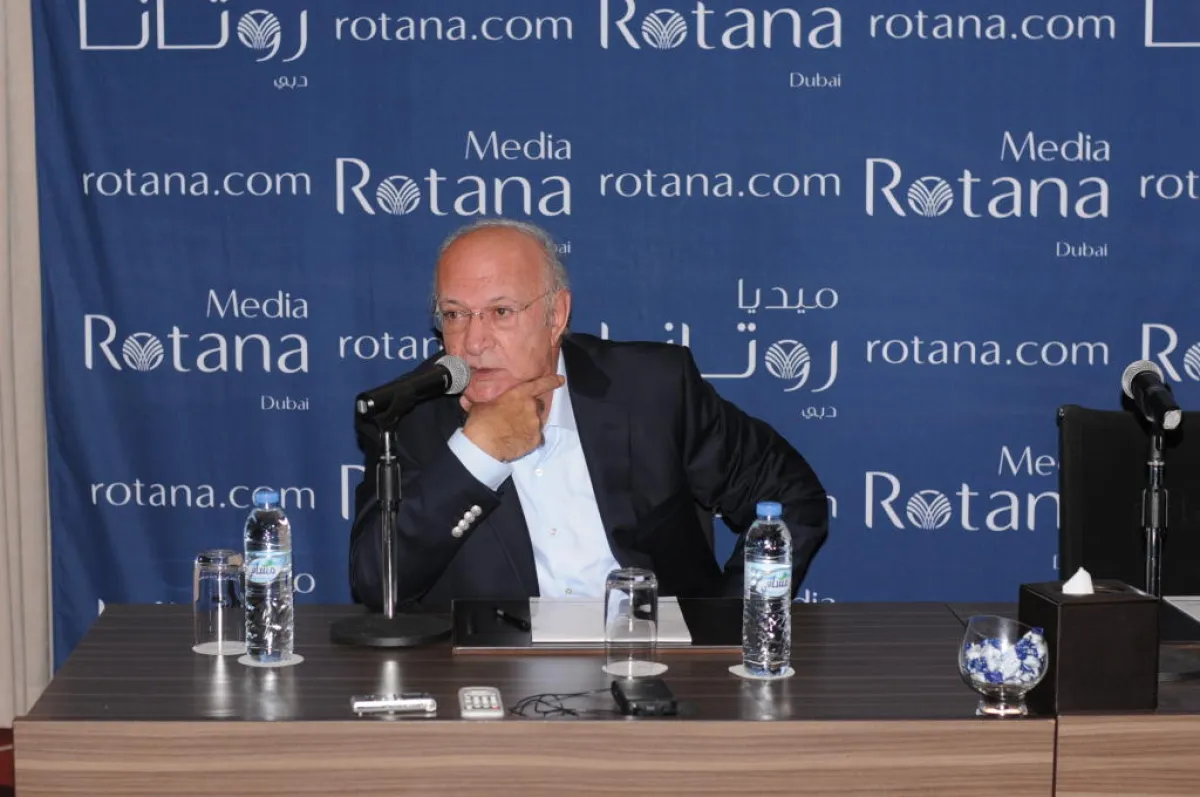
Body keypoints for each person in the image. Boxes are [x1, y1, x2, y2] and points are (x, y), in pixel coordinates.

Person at [348, 218, 829, 611]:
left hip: (656, 668)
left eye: (501, 312)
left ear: (556, 315)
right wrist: (477, 455)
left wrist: (731, 618)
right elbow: (377, 583)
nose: (473, 342)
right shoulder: (409, 417)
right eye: (455, 314)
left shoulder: (652, 390)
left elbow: (790, 494)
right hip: (494, 678)